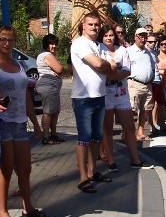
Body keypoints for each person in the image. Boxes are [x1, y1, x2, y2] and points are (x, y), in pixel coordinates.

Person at [0, 26, 47, 217]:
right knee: (5, 169)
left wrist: (36, 123)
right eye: (3, 39)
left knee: (25, 167)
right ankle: (2, 212)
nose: (7, 44)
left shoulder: (19, 65)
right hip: (3, 121)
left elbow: (25, 95)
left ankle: (27, 206)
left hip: (20, 122)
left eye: (11, 40)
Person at [70, 12, 117, 193]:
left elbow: (113, 66)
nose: (94, 28)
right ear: (83, 25)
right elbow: (100, 65)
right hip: (83, 97)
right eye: (90, 24)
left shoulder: (100, 45)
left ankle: (92, 171)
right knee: (84, 137)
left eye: (97, 25)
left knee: (97, 136)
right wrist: (105, 65)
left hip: (100, 95)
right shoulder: (79, 43)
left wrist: (104, 64)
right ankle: (82, 177)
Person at [98, 25, 149, 171]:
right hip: (106, 94)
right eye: (106, 35)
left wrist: (112, 76)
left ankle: (135, 160)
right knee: (107, 128)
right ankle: (111, 161)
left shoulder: (122, 50)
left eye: (111, 35)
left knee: (129, 128)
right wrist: (111, 75)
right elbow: (99, 72)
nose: (109, 38)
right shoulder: (98, 49)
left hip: (122, 94)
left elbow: (127, 71)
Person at [126, 27, 156, 142]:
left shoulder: (147, 52)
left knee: (145, 110)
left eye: (145, 36)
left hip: (147, 85)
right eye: (140, 36)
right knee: (131, 110)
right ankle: (128, 133)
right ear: (135, 37)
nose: (143, 39)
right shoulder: (129, 51)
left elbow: (152, 67)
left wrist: (151, 77)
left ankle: (140, 132)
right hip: (134, 84)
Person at [36, 33, 64, 145]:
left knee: (55, 111)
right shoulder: (46, 55)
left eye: (55, 44)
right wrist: (58, 69)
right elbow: (59, 69)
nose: (54, 46)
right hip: (48, 87)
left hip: (53, 88)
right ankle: (46, 137)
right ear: (46, 44)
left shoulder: (46, 55)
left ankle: (54, 135)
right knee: (48, 111)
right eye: (51, 43)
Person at [154, 36, 166, 132]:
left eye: (165, 44)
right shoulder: (156, 55)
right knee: (156, 103)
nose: (164, 45)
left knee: (164, 102)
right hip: (158, 81)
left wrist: (162, 69)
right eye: (162, 44)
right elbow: (156, 68)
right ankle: (154, 123)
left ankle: (161, 122)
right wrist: (164, 68)